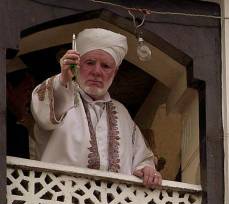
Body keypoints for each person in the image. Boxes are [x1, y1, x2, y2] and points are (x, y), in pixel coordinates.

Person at [30, 28, 161, 187]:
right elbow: (43, 113)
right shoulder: (61, 92)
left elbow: (142, 158)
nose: (97, 72)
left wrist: (146, 169)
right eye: (90, 63)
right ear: (76, 65)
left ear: (115, 72)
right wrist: (63, 79)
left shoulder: (122, 113)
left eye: (105, 66)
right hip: (59, 201)